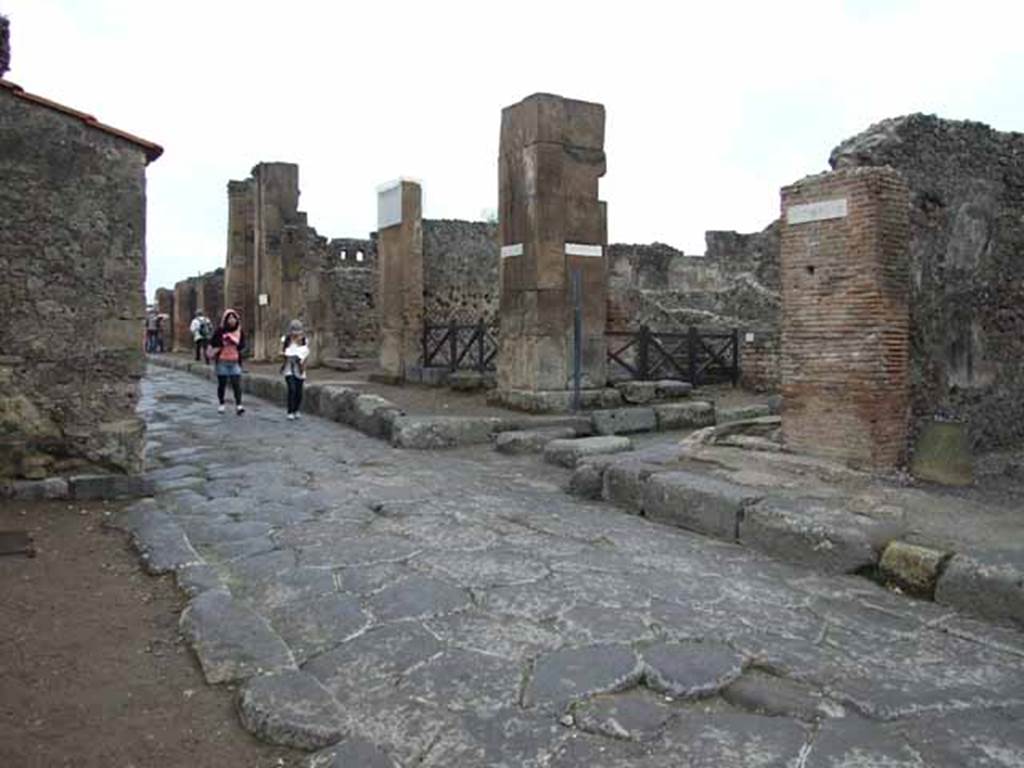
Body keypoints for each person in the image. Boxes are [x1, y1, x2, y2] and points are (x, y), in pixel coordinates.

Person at [210, 309, 246, 415]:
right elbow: (213, 342)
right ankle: (221, 404)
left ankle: (239, 405)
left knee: (236, 384)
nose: (232, 320)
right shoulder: (220, 331)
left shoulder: (239, 331)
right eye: (229, 318)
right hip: (222, 361)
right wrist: (223, 341)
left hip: (234, 361)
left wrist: (236, 343)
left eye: (233, 318)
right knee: (222, 384)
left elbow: (242, 345)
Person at [281, 320, 309, 420]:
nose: (296, 334)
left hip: (299, 368)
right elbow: (283, 353)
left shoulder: (304, 340)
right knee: (292, 389)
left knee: (299, 391)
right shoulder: (286, 340)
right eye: (294, 331)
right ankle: (290, 411)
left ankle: (296, 409)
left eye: (298, 331)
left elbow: (305, 354)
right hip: (289, 368)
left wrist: (302, 363)